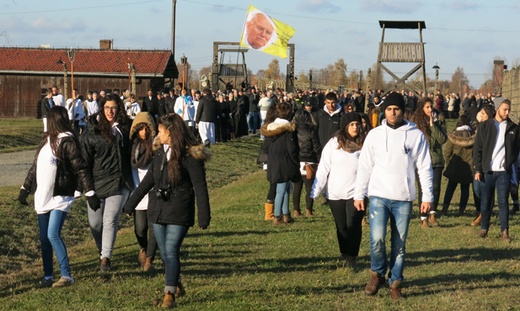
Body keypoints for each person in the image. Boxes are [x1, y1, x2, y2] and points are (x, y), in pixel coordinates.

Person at [122, 113, 211, 308]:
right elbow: (148, 182)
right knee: (164, 254)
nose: (157, 134)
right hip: (158, 209)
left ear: (169, 132)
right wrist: (130, 205)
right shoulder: (160, 152)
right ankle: (176, 282)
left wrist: (204, 215)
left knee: (171, 250)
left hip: (179, 209)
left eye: (161, 131)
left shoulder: (190, 156)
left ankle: (168, 294)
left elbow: (200, 186)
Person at [353, 92, 433, 300]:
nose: (392, 112)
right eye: (388, 109)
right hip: (379, 194)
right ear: (384, 111)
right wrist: (359, 194)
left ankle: (395, 282)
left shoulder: (415, 135)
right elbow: (364, 166)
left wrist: (427, 196)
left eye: (396, 109)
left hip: (403, 198)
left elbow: (424, 167)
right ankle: (376, 273)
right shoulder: (375, 135)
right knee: (377, 238)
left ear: (402, 110)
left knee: (399, 244)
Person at [18, 106, 100, 288]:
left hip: (60, 196)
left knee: (53, 234)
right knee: (44, 239)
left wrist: (90, 192)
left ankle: (66, 275)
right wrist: (25, 188)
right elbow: (35, 167)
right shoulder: (45, 142)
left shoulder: (67, 142)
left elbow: (81, 167)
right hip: (42, 196)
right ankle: (48, 276)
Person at [81, 93, 133, 272]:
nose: (110, 111)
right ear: (102, 109)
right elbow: (84, 162)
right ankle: (101, 249)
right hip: (96, 183)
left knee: (110, 220)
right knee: (95, 223)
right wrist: (88, 190)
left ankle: (105, 258)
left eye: (114, 108)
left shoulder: (125, 129)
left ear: (119, 109)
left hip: (118, 182)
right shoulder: (92, 129)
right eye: (107, 108)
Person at [311, 113, 366, 267]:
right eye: (351, 124)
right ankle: (344, 253)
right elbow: (323, 168)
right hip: (336, 193)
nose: (355, 127)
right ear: (345, 126)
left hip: (357, 194)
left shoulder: (365, 144)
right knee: (341, 227)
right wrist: (315, 190)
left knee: (353, 224)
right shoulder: (333, 144)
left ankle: (352, 257)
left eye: (357, 124)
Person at [473, 98, 520, 243]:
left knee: (503, 202)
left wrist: (509, 163)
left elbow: (516, 148)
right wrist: (478, 169)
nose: (507, 112)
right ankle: (484, 228)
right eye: (504, 109)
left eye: (509, 110)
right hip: (488, 171)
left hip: (503, 173)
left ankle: (504, 231)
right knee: (486, 202)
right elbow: (478, 149)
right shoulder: (485, 126)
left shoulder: (513, 128)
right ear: (498, 109)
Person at [261, 102, 300, 225]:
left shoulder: (270, 128)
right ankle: (277, 216)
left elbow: (265, 148)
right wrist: (296, 161)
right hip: (285, 161)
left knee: (285, 188)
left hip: (273, 161)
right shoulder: (288, 130)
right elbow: (291, 148)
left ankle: (286, 213)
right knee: (282, 190)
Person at [410, 97, 447, 227]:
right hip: (420, 161)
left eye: (431, 107)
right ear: (422, 109)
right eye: (427, 107)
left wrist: (433, 126)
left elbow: (442, 139)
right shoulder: (415, 122)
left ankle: (433, 214)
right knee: (423, 188)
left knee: (435, 188)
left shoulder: (439, 120)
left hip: (436, 159)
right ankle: (423, 218)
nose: (430, 110)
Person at [129, 112, 158, 272]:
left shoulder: (155, 145)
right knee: (140, 228)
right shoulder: (132, 146)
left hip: (153, 192)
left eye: (146, 129)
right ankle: (143, 248)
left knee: (154, 227)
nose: (144, 133)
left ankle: (150, 259)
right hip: (137, 192)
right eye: (140, 129)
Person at [441, 115, 475, 216]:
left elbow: (447, 152)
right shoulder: (472, 135)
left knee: (450, 188)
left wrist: (449, 163)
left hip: (455, 165)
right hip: (468, 167)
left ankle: (445, 208)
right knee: (465, 189)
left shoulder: (454, 135)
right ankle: (461, 209)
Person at [293, 100, 321, 217]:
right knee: (309, 186)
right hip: (309, 160)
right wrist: (319, 158)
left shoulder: (293, 132)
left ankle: (296, 210)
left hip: (296, 160)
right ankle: (309, 210)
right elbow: (316, 146)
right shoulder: (311, 131)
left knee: (297, 187)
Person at [471, 104, 495, 226]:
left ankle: (484, 214)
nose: (480, 115)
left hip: (489, 164)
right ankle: (480, 211)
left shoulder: (493, 127)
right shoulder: (477, 126)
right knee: (476, 188)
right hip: (478, 162)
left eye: (483, 113)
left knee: (486, 190)